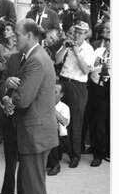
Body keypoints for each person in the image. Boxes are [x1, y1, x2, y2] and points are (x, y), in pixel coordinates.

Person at [4, 19, 58, 194]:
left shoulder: (35, 59)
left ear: (29, 36)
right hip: (34, 132)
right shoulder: (36, 56)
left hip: (36, 134)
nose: (12, 37)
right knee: (27, 184)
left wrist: (9, 98)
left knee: (33, 187)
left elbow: (24, 99)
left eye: (16, 34)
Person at [55, 21, 95, 168]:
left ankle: (75, 154)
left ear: (85, 34)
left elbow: (85, 71)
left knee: (76, 121)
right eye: (76, 31)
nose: (77, 34)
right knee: (59, 116)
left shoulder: (88, 49)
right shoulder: (68, 44)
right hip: (64, 82)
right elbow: (57, 60)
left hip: (78, 85)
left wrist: (77, 54)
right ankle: (59, 151)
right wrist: (65, 48)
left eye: (80, 32)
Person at [0, 50, 23, 194]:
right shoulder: (13, 59)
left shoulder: (38, 59)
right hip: (9, 115)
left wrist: (16, 102)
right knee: (9, 156)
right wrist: (5, 97)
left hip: (26, 118)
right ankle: (7, 190)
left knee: (25, 160)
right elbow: (3, 81)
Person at [87, 27, 111, 167]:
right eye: (106, 40)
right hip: (96, 87)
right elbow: (89, 68)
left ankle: (106, 150)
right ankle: (98, 153)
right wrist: (96, 66)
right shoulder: (98, 52)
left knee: (107, 121)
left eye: (110, 40)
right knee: (97, 121)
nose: (107, 43)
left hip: (109, 87)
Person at [46, 81, 71, 176]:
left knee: (52, 131)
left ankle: (56, 165)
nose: (52, 94)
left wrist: (51, 108)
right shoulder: (43, 104)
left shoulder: (64, 107)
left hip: (60, 138)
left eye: (55, 92)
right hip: (46, 134)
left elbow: (64, 122)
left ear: (61, 95)